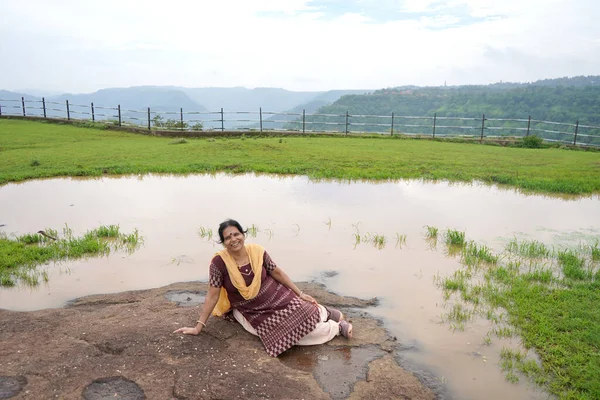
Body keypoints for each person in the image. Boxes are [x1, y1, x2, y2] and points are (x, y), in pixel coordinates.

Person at [174, 219, 352, 357]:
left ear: (243, 234)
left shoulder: (257, 252)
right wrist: (198, 327)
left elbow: (277, 273)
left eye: (236, 234)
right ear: (223, 242)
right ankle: (336, 328)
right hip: (252, 311)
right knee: (282, 337)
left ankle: (326, 313)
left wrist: (301, 293)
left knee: (304, 312)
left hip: (278, 297)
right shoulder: (219, 263)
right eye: (227, 237)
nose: (233, 239)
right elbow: (212, 296)